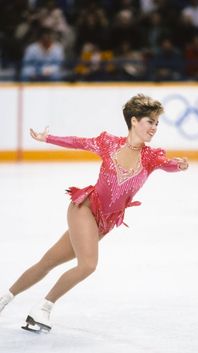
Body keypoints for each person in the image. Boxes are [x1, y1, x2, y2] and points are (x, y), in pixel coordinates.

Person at [0, 94, 188, 332]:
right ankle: (43, 308)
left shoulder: (151, 157)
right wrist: (47, 137)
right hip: (85, 209)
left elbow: (168, 164)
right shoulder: (108, 143)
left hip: (103, 224)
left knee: (47, 262)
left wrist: (179, 165)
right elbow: (78, 142)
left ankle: (3, 299)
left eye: (157, 123)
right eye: (150, 121)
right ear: (134, 121)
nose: (154, 127)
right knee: (87, 265)